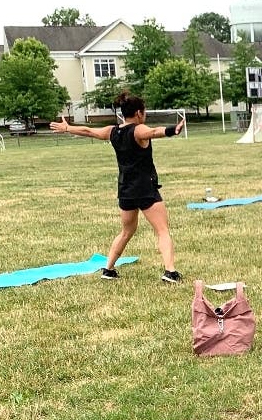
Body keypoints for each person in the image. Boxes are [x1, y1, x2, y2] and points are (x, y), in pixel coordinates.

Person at [50, 93, 185, 283]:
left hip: (125, 189)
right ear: (139, 113)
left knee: (126, 231)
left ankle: (108, 268)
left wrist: (67, 128)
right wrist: (173, 130)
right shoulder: (138, 130)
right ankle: (170, 272)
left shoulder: (112, 131)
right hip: (145, 188)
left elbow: (89, 131)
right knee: (162, 230)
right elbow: (153, 132)